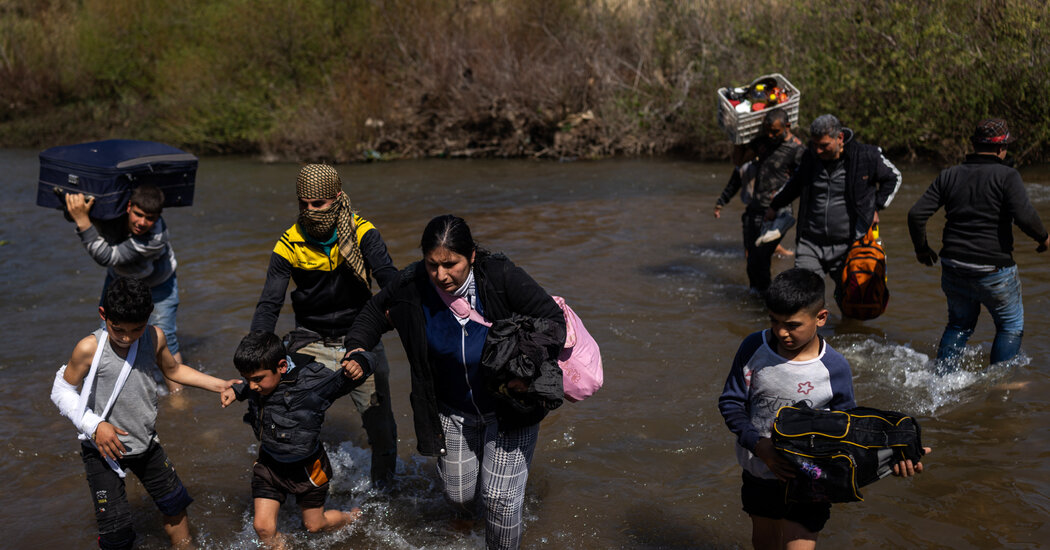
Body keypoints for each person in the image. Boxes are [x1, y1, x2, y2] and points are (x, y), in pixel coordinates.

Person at [342, 214, 566, 550]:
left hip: (510, 407)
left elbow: (553, 320)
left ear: (471, 256)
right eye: (432, 264)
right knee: (458, 494)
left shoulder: (501, 277)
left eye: (451, 264)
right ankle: (467, 519)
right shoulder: (413, 285)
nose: (441, 275)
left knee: (499, 499)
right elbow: (374, 313)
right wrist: (356, 349)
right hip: (451, 410)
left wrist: (524, 369)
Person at [718, 268, 926, 550]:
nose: (781, 332)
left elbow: (849, 430)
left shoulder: (834, 367)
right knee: (764, 543)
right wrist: (759, 445)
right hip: (759, 471)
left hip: (812, 478)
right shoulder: (754, 347)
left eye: (792, 325)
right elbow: (731, 403)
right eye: (774, 321)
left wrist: (894, 457)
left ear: (821, 318)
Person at [49, 277, 237, 550]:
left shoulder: (154, 337)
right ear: (103, 314)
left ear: (148, 317)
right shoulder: (90, 348)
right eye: (118, 329)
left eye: (136, 329)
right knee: (116, 533)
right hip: (102, 450)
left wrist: (219, 384)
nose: (126, 338)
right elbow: (61, 389)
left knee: (175, 505)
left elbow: (173, 370)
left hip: (146, 443)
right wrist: (95, 425)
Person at [250, 163, 400, 486]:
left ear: (337, 197)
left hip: (360, 340)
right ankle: (302, 489)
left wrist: (406, 310)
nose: (310, 211)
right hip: (310, 341)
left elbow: (388, 278)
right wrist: (255, 352)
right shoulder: (289, 243)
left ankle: (385, 494)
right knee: (288, 420)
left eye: (318, 204)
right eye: (303, 204)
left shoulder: (362, 233)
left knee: (382, 431)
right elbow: (269, 304)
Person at [907, 118, 1049, 367]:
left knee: (959, 325)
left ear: (974, 144)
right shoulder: (1008, 176)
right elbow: (1025, 216)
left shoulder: (949, 175)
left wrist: (922, 249)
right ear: (1001, 148)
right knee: (1010, 326)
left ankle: (942, 378)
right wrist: (1044, 238)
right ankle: (1000, 383)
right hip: (994, 269)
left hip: (953, 265)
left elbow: (916, 214)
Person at [220, 331, 369, 549]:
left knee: (314, 526)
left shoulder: (311, 385)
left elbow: (345, 382)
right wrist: (237, 390)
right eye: (247, 379)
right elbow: (251, 382)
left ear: (281, 366)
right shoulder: (260, 382)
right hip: (270, 465)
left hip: (308, 468)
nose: (252, 386)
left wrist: (361, 362)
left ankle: (350, 517)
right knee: (263, 528)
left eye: (257, 379)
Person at [767, 114, 902, 308]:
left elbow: (894, 177)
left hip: (849, 245)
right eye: (815, 145)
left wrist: (877, 206)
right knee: (804, 301)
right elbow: (794, 185)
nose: (818, 150)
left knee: (851, 306)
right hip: (810, 243)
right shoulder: (810, 156)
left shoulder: (865, 155)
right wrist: (774, 206)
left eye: (824, 145)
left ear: (839, 138)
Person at [65, 184, 185, 393]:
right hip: (120, 279)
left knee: (166, 337)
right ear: (128, 206)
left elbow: (107, 257)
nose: (142, 223)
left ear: (158, 217)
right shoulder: (113, 210)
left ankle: (178, 396)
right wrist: (76, 207)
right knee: (109, 332)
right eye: (138, 214)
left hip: (158, 284)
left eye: (150, 218)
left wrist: (82, 220)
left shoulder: (156, 237)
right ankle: (110, 390)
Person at [715, 109, 806, 292]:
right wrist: (738, 138)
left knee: (762, 259)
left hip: (778, 212)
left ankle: (767, 299)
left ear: (787, 126)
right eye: (768, 131)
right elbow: (739, 162)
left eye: (775, 132)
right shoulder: (763, 143)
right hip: (755, 209)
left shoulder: (797, 150)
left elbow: (803, 182)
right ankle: (755, 297)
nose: (771, 135)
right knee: (751, 262)